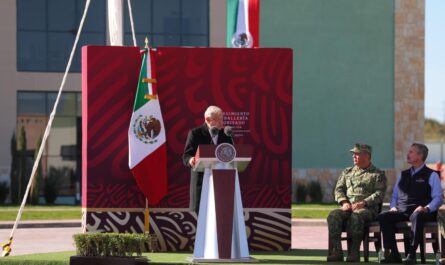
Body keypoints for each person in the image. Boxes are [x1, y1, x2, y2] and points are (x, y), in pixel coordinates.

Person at [377, 143, 443, 264]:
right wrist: (392, 207)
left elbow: (438, 198)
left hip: (422, 212)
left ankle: (411, 254)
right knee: (384, 217)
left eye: (411, 152)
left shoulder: (432, 175)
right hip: (402, 211)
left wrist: (426, 208)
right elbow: (395, 196)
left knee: (416, 216)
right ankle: (394, 254)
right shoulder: (403, 174)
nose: (407, 154)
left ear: (420, 155)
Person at [327, 143, 387, 262]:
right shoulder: (347, 172)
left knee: (356, 216)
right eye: (353, 154)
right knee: (333, 215)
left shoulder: (377, 174)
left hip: (368, 209)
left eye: (357, 154)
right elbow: (338, 189)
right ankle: (337, 251)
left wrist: (363, 203)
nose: (354, 156)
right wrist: (344, 202)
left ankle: (354, 253)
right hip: (348, 207)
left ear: (366, 156)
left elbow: (379, 194)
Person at [182, 106, 233, 212]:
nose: (221, 123)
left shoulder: (226, 135)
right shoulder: (195, 133)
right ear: (208, 120)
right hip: (202, 182)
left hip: (221, 184)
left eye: (222, 119)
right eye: (218, 119)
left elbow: (231, 156)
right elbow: (186, 156)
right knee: (203, 219)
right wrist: (191, 160)